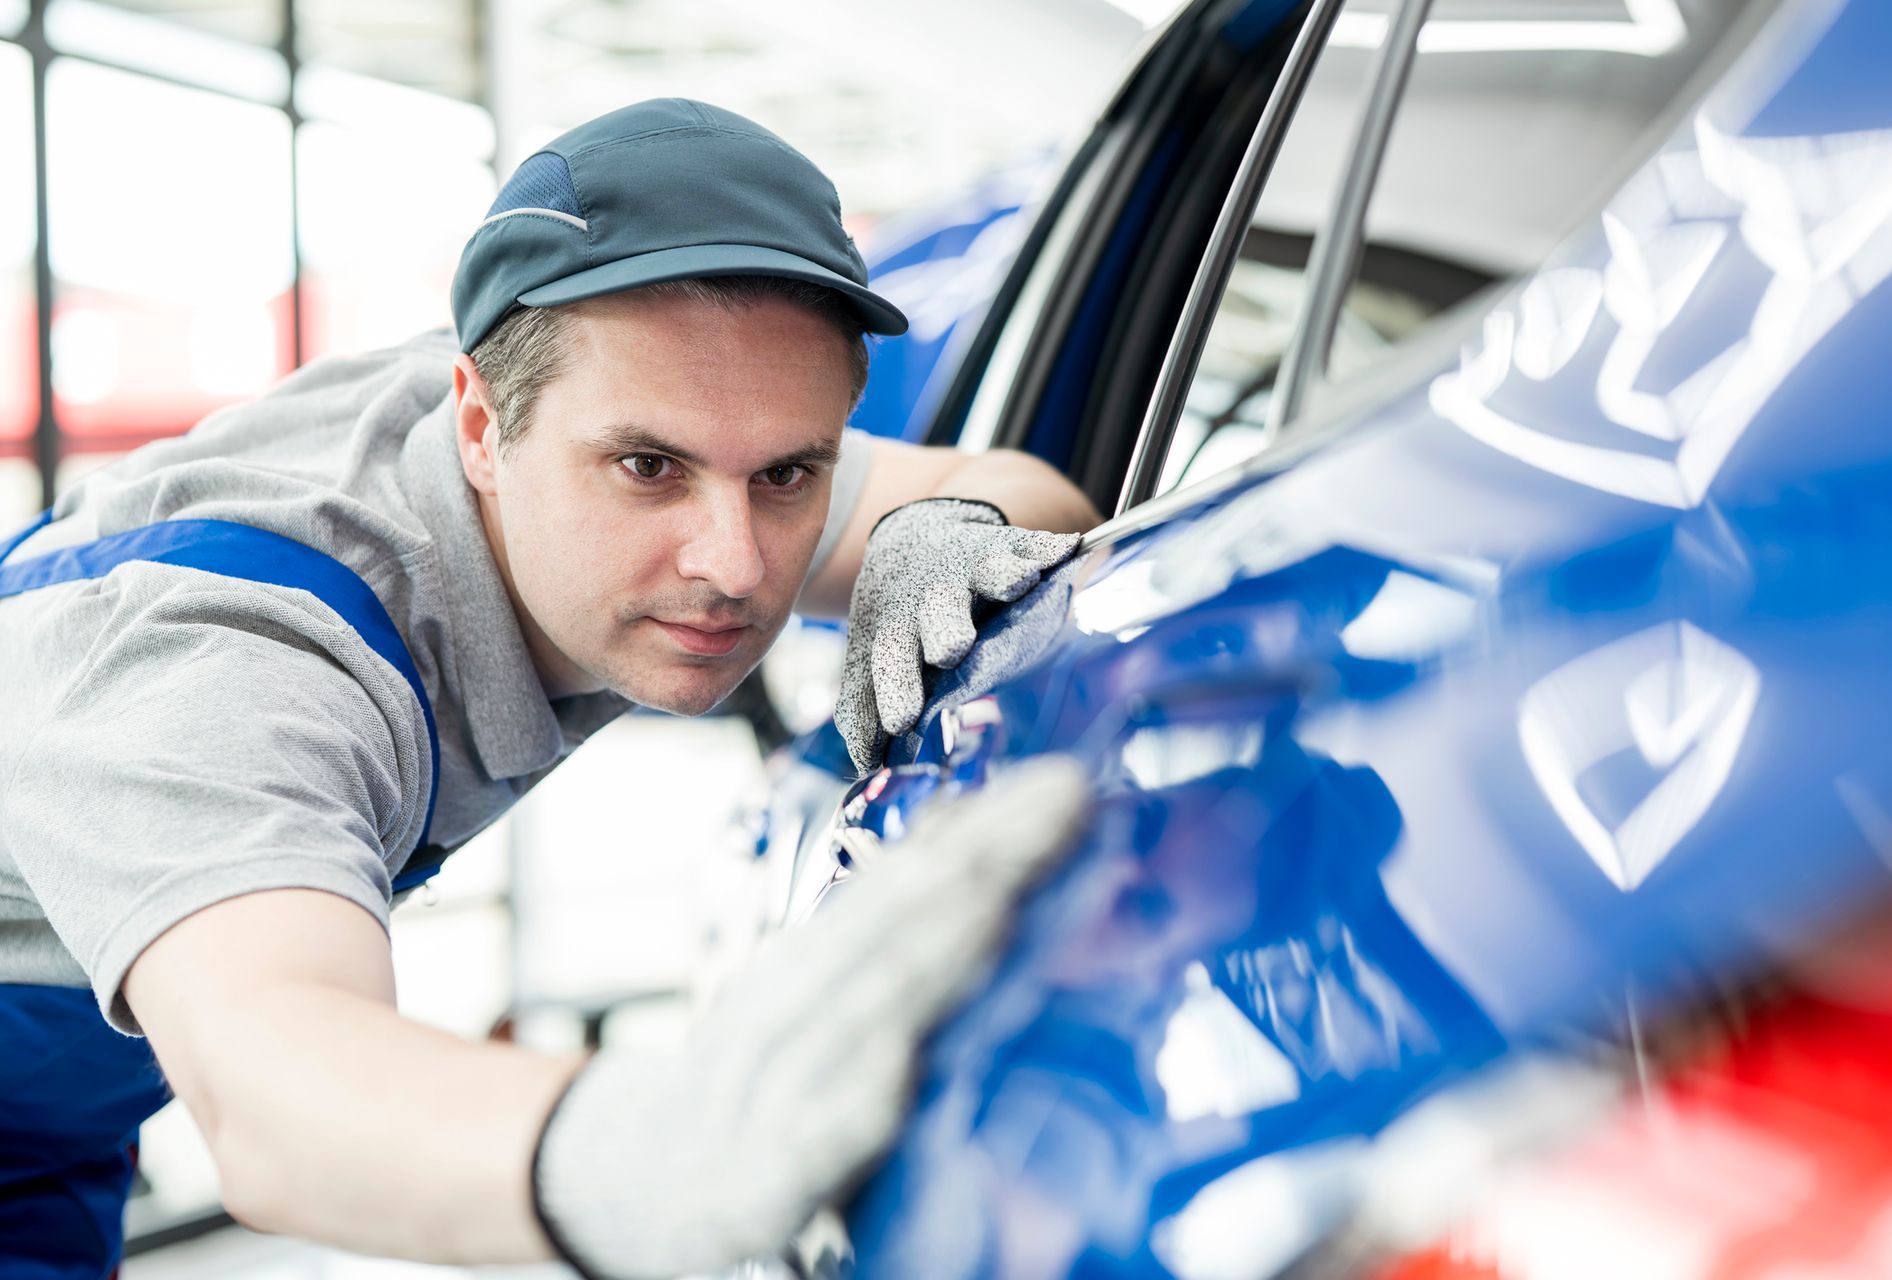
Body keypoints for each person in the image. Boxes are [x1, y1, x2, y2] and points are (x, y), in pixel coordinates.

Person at [0, 98, 1100, 1278]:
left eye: (791, 472)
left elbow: (1024, 491)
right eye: (647, 468)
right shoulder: (226, 663)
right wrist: (666, 1147)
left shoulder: (599, 400)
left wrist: (945, 529)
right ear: (479, 426)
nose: (734, 566)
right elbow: (278, 1096)